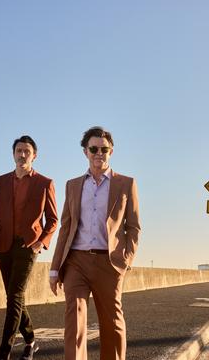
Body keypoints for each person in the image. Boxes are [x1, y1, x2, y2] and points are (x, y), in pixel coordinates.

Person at [50, 126, 140, 360]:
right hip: (76, 262)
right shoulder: (73, 185)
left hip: (108, 262)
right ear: (85, 152)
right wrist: (55, 268)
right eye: (93, 149)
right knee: (74, 321)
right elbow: (66, 228)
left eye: (104, 149)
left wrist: (126, 259)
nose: (99, 153)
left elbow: (133, 227)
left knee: (112, 323)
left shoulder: (126, 184)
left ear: (111, 151)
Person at [0, 135, 58, 360]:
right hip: (3, 245)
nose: (22, 154)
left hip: (28, 246)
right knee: (15, 297)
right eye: (19, 151)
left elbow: (53, 219)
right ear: (13, 154)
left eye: (27, 151)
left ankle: (3, 352)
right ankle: (31, 340)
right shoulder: (0, 181)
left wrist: (39, 243)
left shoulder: (45, 183)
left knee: (14, 296)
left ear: (34, 156)